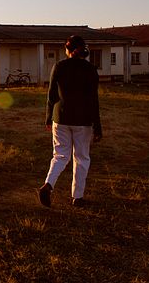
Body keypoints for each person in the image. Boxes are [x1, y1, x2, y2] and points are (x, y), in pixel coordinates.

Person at [38, 35, 102, 208]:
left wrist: (48, 117)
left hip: (61, 118)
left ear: (68, 50)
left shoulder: (59, 66)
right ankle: (77, 197)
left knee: (59, 155)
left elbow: (51, 95)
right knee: (81, 158)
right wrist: (98, 126)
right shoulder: (90, 69)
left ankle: (48, 185)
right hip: (83, 120)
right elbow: (93, 100)